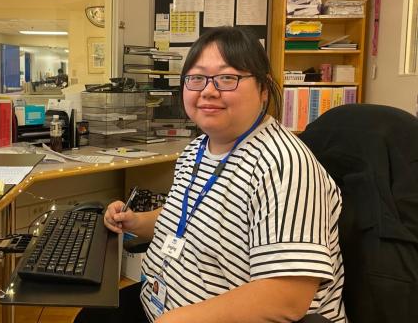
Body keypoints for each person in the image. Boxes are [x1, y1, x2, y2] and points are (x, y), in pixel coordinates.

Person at [99, 27, 345, 323]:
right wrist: (136, 222)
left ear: (264, 89)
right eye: (197, 78)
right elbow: (189, 218)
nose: (208, 90)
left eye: (227, 78)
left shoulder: (283, 165)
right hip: (160, 302)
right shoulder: (197, 149)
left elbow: (287, 297)